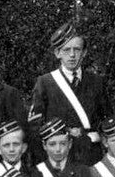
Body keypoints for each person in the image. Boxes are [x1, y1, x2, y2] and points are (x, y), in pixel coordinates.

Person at [29, 22, 109, 164]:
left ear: (84, 53)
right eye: (66, 50)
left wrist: (98, 137)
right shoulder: (45, 82)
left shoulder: (97, 82)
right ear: (57, 53)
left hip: (91, 154)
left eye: (77, 49)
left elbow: (107, 118)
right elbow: (35, 125)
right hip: (59, 155)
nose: (72, 55)